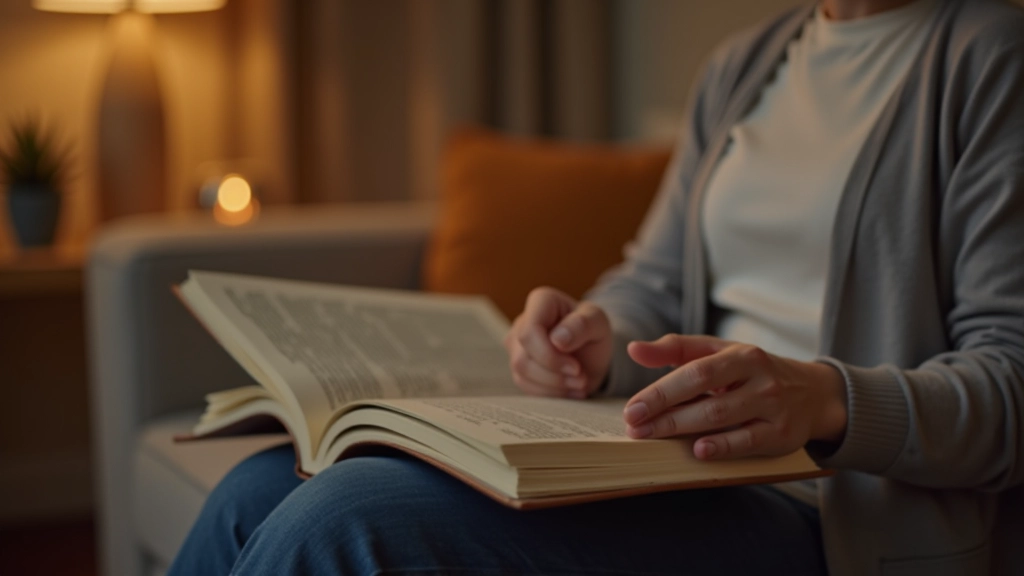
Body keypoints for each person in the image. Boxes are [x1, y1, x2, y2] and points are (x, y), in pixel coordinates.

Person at [167, 0, 1024, 574]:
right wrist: (596, 335)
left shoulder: (994, 60)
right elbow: (652, 279)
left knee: (342, 521)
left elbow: (1011, 386)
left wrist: (825, 401)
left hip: (829, 510)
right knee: (257, 489)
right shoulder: (747, 65)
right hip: (681, 467)